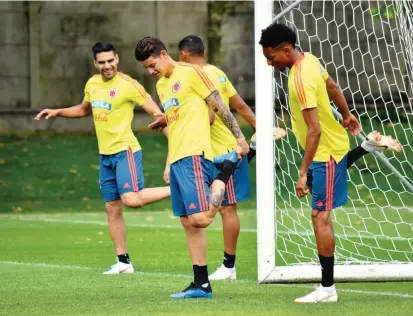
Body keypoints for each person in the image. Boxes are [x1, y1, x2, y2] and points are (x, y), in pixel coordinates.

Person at [258, 23, 402, 303]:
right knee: (318, 199)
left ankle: (327, 289)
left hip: (324, 151)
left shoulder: (300, 79)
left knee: (319, 216)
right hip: (327, 150)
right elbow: (332, 85)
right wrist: (347, 115)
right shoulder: (310, 60)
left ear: (286, 50)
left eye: (271, 57)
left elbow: (315, 130)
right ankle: (366, 147)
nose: (269, 63)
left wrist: (301, 172)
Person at [35, 42, 171, 275]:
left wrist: (172, 153)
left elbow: (160, 116)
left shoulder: (130, 85)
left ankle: (177, 188)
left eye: (111, 60)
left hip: (125, 151)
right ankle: (123, 262)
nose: (107, 66)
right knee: (112, 208)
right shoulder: (92, 83)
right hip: (105, 156)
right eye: (102, 62)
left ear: (117, 59)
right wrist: (57, 112)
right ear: (95, 63)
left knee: (131, 199)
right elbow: (83, 109)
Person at [134, 36, 249, 299]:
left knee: (201, 218)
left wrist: (240, 139)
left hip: (195, 154)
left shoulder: (194, 73)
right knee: (189, 223)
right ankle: (202, 284)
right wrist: (166, 130)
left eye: (152, 64)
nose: (151, 71)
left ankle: (225, 171)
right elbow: (179, 116)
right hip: (177, 156)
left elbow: (219, 105)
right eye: (146, 68)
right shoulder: (162, 85)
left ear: (164, 54)